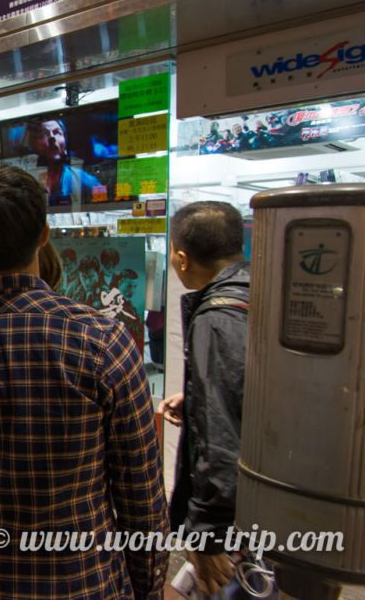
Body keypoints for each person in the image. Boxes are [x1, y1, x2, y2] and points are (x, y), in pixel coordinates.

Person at [0, 165, 168, 598]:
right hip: (86, 582)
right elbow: (143, 498)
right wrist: (149, 587)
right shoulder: (103, 342)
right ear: (45, 235)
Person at [158, 201, 253, 598]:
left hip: (235, 520)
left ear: (181, 259)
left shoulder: (216, 318)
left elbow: (221, 434)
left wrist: (208, 534)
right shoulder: (261, 289)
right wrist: (196, 396)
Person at [26, 118, 103, 204]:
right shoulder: (26, 181)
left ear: (65, 141)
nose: (52, 138)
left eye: (57, 132)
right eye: (43, 134)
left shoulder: (84, 180)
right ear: (33, 144)